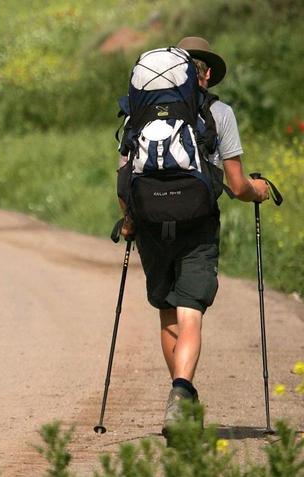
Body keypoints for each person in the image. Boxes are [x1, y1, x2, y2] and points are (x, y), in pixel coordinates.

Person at [119, 36, 271, 434]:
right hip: (197, 223)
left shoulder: (137, 113)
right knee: (191, 312)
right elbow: (237, 186)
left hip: (151, 222)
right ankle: (181, 392)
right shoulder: (218, 112)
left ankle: (180, 400)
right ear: (202, 72)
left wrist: (131, 221)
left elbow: (125, 176)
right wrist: (262, 189)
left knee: (168, 310)